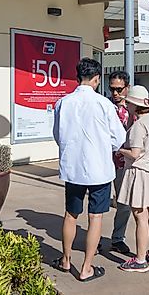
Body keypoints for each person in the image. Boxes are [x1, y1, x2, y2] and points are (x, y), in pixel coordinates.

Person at [52, 58, 126, 283]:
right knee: (95, 218)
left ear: (78, 78)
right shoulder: (104, 104)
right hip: (99, 170)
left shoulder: (63, 102)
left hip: (73, 168)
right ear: (96, 79)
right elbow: (119, 138)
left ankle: (65, 260)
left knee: (71, 214)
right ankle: (86, 267)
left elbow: (58, 135)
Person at [117, 85, 149, 273]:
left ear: (134, 105)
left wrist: (119, 149)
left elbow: (135, 153)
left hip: (140, 173)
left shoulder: (138, 126)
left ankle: (139, 260)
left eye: (128, 102)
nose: (127, 105)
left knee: (140, 216)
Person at [105, 70, 135, 256]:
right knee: (97, 204)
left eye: (119, 89)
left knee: (124, 203)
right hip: (103, 161)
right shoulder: (104, 107)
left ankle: (117, 238)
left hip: (124, 163)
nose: (115, 93)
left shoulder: (133, 108)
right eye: (112, 89)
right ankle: (94, 238)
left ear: (127, 88)